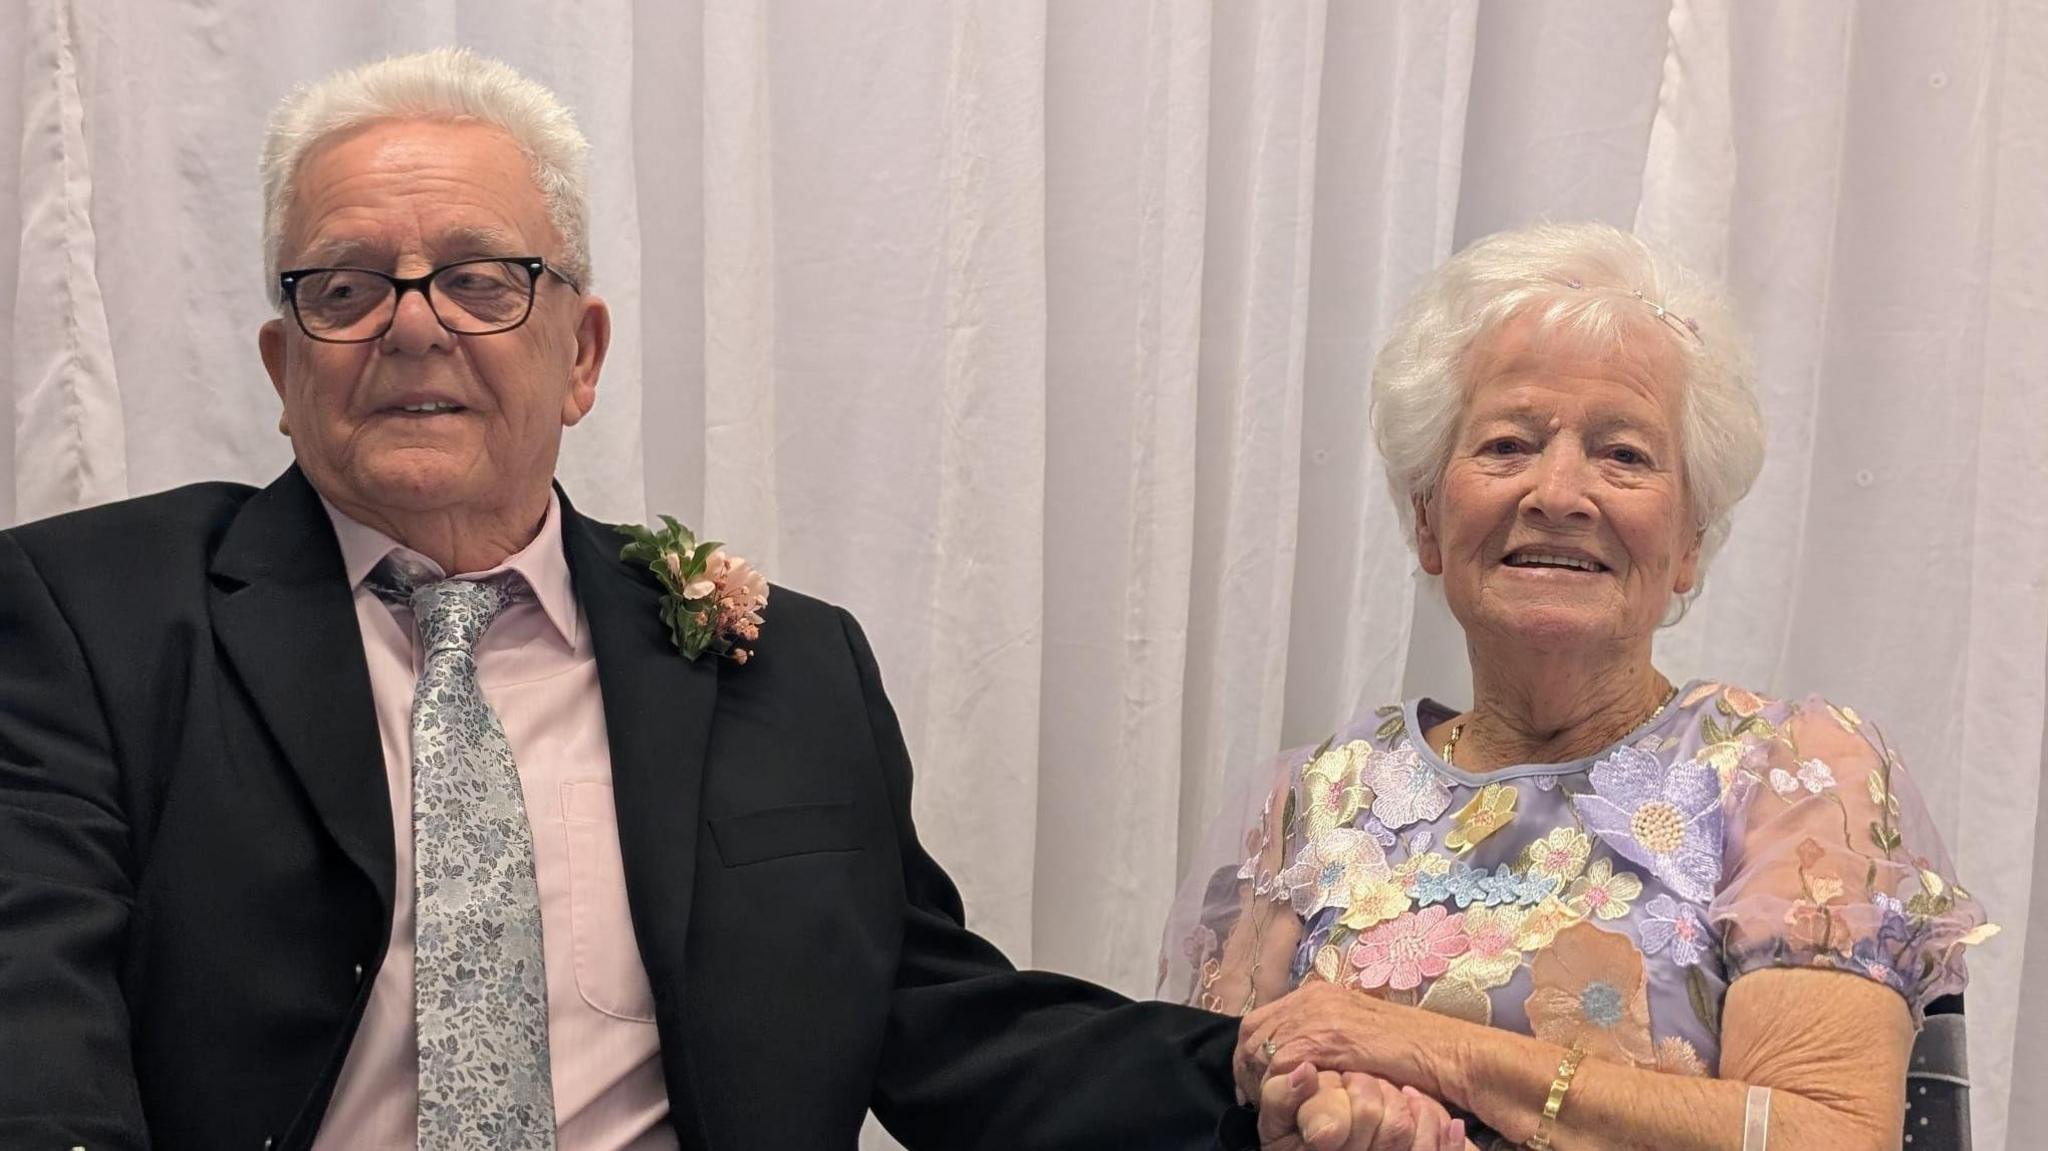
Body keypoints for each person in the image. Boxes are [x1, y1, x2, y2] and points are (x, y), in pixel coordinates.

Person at [0, 49, 1238, 1150]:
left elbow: (937, 1017)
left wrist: (1257, 1075)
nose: (412, 327)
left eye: (483, 280)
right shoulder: (88, 616)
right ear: (285, 367)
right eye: (346, 286)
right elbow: (30, 997)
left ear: (579, 354)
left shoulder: (791, 666)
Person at [1162, 222, 1995, 1150]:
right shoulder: (1308, 805)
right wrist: (1312, 1111)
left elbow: (1828, 1136)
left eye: (1624, 454)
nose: (1559, 492)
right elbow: (1210, 1102)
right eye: (1509, 443)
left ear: (1689, 543)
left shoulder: (1795, 774)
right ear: (1430, 521)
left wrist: (1429, 1049)